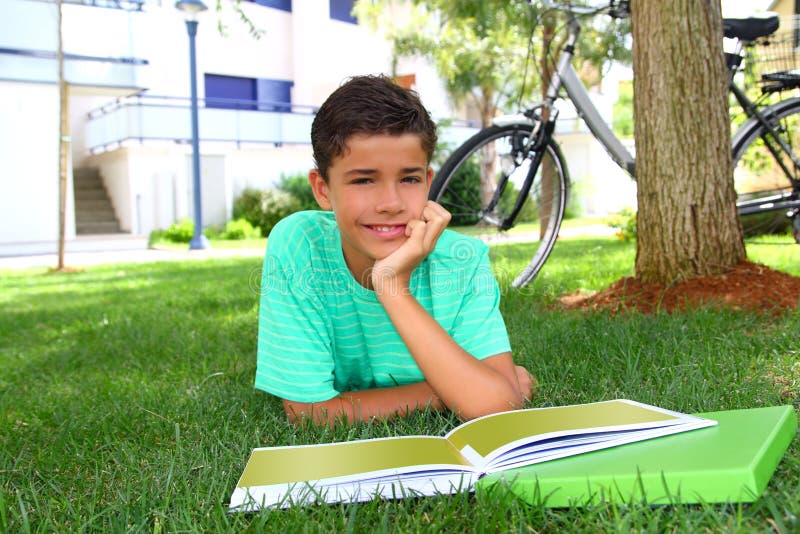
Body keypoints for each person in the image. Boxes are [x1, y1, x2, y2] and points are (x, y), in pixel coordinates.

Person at [255, 75, 536, 426]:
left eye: (409, 179)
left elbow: (498, 408)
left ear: (428, 182)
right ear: (323, 189)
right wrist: (451, 390)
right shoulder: (299, 246)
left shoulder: (462, 259)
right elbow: (309, 412)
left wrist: (391, 285)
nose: (390, 203)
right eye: (364, 180)